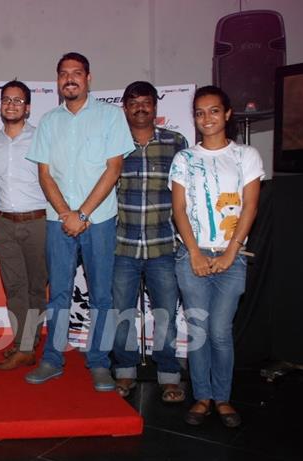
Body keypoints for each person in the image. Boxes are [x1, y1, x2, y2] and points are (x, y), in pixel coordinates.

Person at [24, 52, 134, 390]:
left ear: (88, 78)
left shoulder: (111, 117)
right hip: (58, 221)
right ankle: (52, 359)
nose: (70, 79)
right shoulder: (48, 121)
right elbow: (44, 174)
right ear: (57, 81)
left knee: (102, 295)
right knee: (58, 293)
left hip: (98, 220)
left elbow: (113, 169)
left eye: (77, 73)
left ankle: (99, 362)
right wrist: (65, 214)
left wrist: (82, 214)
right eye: (63, 74)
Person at [169, 85, 263, 428]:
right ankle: (202, 397)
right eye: (199, 112)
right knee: (198, 329)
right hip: (191, 255)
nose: (206, 118)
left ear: (227, 114)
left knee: (220, 331)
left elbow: (251, 206)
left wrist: (230, 253)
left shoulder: (246, 156)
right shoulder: (184, 158)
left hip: (232, 257)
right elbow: (178, 209)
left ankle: (222, 397)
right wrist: (193, 252)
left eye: (212, 111)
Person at [111, 81, 188, 402]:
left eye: (146, 102)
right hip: (122, 245)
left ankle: (169, 375)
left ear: (155, 107)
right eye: (133, 102)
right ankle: (125, 372)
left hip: (163, 246)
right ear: (125, 107)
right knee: (122, 313)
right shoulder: (112, 143)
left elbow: (188, 194)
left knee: (166, 314)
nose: (140, 107)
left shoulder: (176, 143)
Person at [0, 80, 48, 371]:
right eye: (7, 100)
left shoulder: (41, 139)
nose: (11, 105)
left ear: (28, 107)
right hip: (3, 224)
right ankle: (24, 345)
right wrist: (8, 210)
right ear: (1, 105)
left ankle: (29, 340)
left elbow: (53, 180)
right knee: (15, 287)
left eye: (18, 101)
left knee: (36, 286)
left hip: (38, 222)